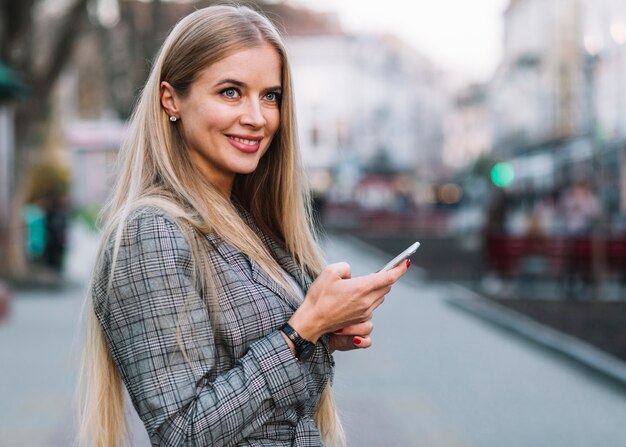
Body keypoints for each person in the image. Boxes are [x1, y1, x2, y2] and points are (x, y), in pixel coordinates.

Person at [78, 5, 409, 447]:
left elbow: (258, 397)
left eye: (270, 95)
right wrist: (301, 331)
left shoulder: (249, 224)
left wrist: (323, 335)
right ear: (170, 98)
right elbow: (184, 433)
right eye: (231, 92)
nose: (258, 116)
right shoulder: (151, 231)